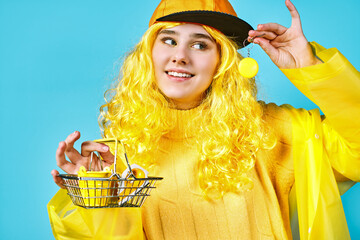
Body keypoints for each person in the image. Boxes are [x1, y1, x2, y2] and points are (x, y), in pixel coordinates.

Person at [48, 0, 360, 239]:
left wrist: (311, 67)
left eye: (200, 44)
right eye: (168, 40)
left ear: (222, 61)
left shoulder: (271, 131)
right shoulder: (118, 155)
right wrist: (95, 196)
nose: (180, 56)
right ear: (148, 54)